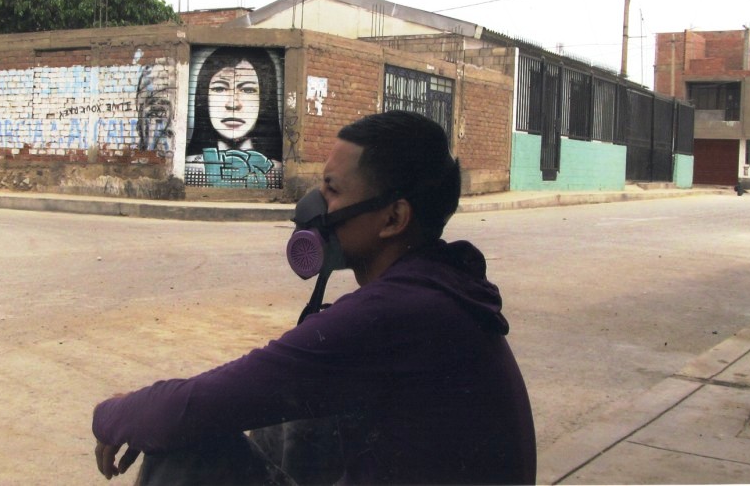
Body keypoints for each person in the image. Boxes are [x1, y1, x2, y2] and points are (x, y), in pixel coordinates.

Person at [93, 110, 536, 484]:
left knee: (185, 446)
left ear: (393, 218)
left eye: (333, 190)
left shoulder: (396, 313)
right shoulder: (436, 287)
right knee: (292, 406)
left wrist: (112, 415)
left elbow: (201, 406)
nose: (314, 204)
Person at [185, 47, 283, 188]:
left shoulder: (278, 170)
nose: (233, 104)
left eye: (248, 90)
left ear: (265, 99)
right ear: (204, 98)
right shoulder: (191, 167)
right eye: (220, 89)